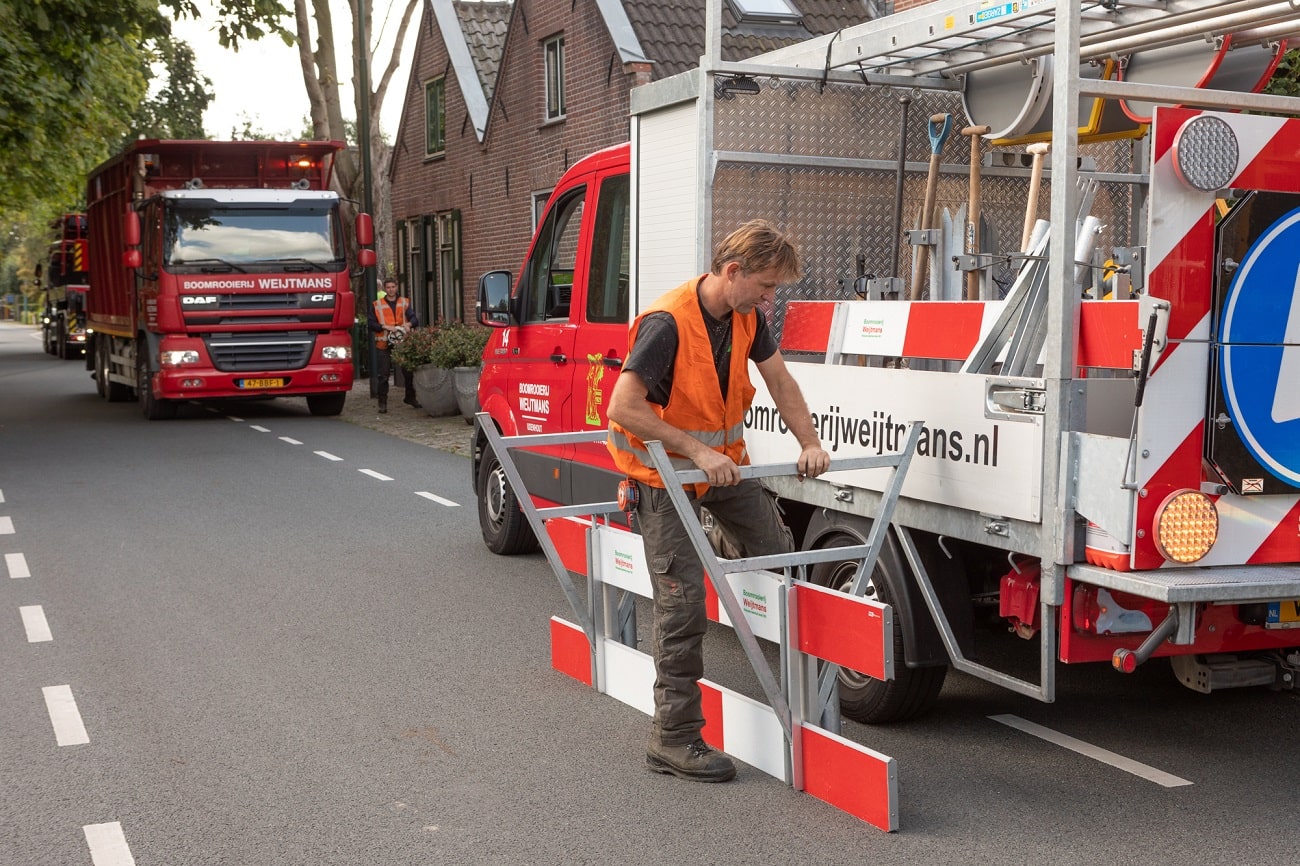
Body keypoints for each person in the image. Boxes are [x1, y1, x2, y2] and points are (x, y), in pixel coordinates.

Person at [606, 219, 830, 783]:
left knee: (777, 554)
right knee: (681, 611)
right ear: (733, 272)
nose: (771, 298)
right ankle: (673, 739)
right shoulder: (667, 323)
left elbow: (780, 382)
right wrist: (696, 454)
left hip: (722, 470)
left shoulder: (746, 317)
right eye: (767, 286)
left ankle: (806, 699)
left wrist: (809, 441)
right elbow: (623, 408)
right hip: (663, 480)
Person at [368, 278, 420, 413]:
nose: (391, 289)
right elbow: (371, 324)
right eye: (388, 287)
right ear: (385, 289)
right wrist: (384, 326)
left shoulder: (404, 302)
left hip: (401, 341)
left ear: (396, 287)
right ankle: (382, 402)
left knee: (408, 372)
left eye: (393, 287)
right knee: (384, 374)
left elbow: (414, 319)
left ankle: (410, 397)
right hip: (384, 342)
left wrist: (408, 324)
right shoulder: (377, 305)